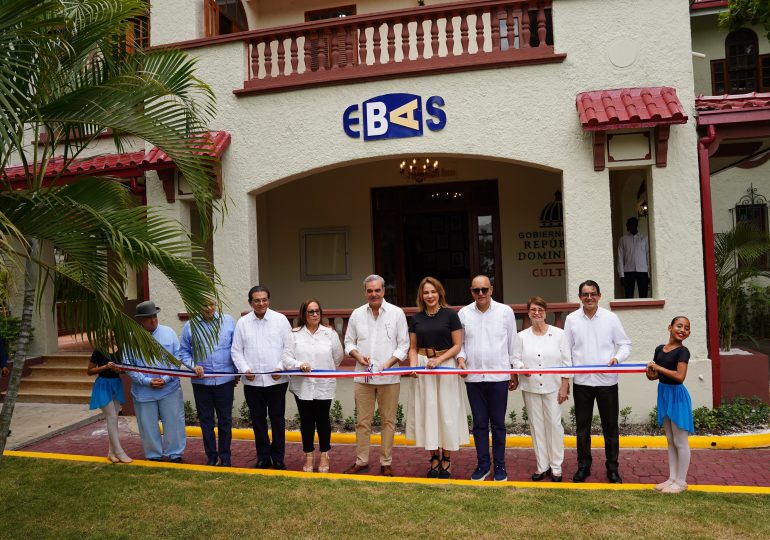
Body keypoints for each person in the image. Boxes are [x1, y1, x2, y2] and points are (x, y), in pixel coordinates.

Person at [562, 280, 631, 483]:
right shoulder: (572, 319)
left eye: (593, 294)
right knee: (582, 428)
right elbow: (566, 350)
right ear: (580, 297)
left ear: (599, 296)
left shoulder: (611, 318)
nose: (589, 297)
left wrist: (617, 358)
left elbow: (625, 344)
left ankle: (612, 469)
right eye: (585, 294)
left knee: (610, 427)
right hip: (582, 382)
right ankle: (584, 466)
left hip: (607, 381)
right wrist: (566, 380)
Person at [343, 275, 409, 477]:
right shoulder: (356, 314)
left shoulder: (396, 314)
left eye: (377, 290)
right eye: (369, 291)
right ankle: (361, 461)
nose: (373, 294)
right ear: (365, 292)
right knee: (363, 422)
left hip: (388, 378)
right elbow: (348, 343)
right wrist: (358, 356)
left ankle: (386, 462)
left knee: (388, 422)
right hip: (362, 377)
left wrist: (387, 365)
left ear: (383, 291)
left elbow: (403, 345)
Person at [407, 276, 469, 479]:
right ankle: (433, 456)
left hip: (446, 365)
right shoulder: (416, 319)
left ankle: (447, 459)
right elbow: (413, 348)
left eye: (433, 291)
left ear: (439, 293)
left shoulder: (450, 315)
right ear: (421, 296)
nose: (430, 295)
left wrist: (439, 360)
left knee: (447, 411)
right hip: (425, 368)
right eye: (426, 292)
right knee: (429, 411)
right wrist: (414, 366)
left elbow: (457, 346)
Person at [457, 275, 516, 482]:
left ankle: (500, 465)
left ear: (491, 289)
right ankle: (483, 465)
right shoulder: (464, 313)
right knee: (480, 424)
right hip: (474, 378)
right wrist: (461, 359)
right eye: (476, 290)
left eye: (484, 289)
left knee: (498, 424)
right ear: (471, 292)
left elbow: (512, 344)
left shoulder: (505, 312)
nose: (480, 294)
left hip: (499, 376)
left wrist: (513, 372)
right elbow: (460, 344)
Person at [126, 300, 196, 463]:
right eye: (149, 317)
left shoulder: (169, 332)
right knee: (147, 424)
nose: (153, 320)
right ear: (140, 320)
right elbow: (128, 364)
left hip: (169, 388)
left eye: (155, 316)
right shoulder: (131, 337)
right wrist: (145, 381)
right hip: (143, 390)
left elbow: (177, 358)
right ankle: (153, 454)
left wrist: (165, 378)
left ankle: (175, 454)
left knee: (173, 422)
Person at [231, 285, 292, 470]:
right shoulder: (242, 323)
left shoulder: (280, 320)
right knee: (257, 420)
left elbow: (289, 348)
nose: (261, 303)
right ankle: (263, 457)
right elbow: (236, 351)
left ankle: (279, 458)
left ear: (269, 300)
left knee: (277, 419)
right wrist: (244, 369)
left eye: (264, 299)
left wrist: (280, 368)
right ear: (250, 303)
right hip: (253, 382)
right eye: (256, 300)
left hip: (276, 381)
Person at [281, 299, 343, 473]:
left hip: (324, 385)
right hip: (303, 386)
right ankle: (308, 454)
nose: (315, 314)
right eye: (311, 312)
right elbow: (286, 359)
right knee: (307, 421)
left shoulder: (329, 334)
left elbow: (337, 358)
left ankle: (324, 454)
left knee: (323, 420)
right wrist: (299, 364)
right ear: (304, 314)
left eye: (317, 311)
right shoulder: (294, 334)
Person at [512, 296, 570, 482]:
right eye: (533, 310)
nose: (536, 313)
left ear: (546, 312)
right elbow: (515, 358)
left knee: (554, 426)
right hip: (530, 388)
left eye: (540, 309)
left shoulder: (559, 334)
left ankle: (556, 466)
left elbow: (567, 362)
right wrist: (521, 368)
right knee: (537, 427)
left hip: (553, 387)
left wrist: (564, 386)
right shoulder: (521, 336)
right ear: (528, 313)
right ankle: (541, 465)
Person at [179, 298, 236, 467]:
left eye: (212, 304)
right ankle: (211, 456)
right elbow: (184, 352)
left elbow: (236, 348)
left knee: (225, 420)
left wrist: (237, 372)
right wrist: (192, 366)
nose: (209, 308)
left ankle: (225, 457)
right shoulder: (190, 326)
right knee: (206, 421)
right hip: (201, 383)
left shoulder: (228, 322)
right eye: (204, 304)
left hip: (225, 380)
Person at [646, 316, 694, 494]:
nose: (682, 330)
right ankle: (672, 478)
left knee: (681, 441)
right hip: (664, 393)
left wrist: (658, 368)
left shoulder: (683, 352)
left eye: (686, 328)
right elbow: (654, 376)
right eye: (679, 326)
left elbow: (680, 376)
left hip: (677, 396)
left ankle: (681, 482)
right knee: (671, 441)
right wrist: (650, 371)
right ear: (670, 327)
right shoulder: (660, 349)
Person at [87, 347, 132, 463]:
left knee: (114, 418)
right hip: (102, 385)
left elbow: (124, 370)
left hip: (116, 384)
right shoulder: (98, 350)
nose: (111, 333)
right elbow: (89, 371)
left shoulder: (121, 350)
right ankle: (119, 452)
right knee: (111, 417)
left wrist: (119, 370)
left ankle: (111, 453)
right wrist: (105, 367)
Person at [617, 217, 650, 298]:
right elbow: (620, 257)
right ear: (627, 226)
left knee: (643, 295)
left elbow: (648, 256)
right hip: (628, 271)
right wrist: (621, 275)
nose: (630, 226)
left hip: (643, 271)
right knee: (628, 295)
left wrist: (649, 274)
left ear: (636, 225)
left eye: (633, 224)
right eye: (629, 225)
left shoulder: (644, 239)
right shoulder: (623, 239)